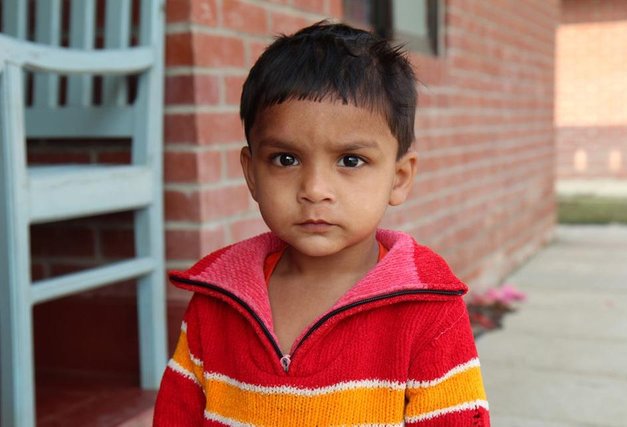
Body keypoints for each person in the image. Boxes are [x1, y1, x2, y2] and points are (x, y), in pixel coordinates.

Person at [153, 21, 490, 426]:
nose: (314, 189)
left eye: (350, 160)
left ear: (398, 178)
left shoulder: (427, 311)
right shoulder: (217, 300)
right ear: (251, 174)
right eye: (285, 159)